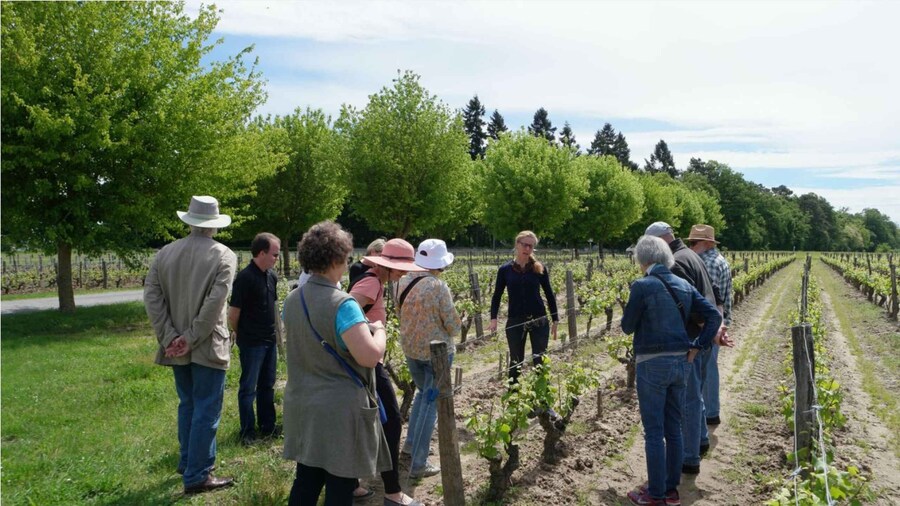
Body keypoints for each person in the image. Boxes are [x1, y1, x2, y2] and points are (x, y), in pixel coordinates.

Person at [282, 221, 391, 505]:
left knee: (306, 480)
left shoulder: (292, 300)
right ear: (334, 260)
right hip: (339, 413)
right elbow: (369, 356)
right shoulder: (343, 304)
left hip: (303, 405)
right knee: (340, 487)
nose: (347, 265)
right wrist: (380, 331)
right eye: (345, 258)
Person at [144, 195, 237, 495]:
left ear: (190, 221)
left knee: (188, 404)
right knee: (206, 409)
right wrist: (189, 337)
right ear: (214, 224)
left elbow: (152, 298)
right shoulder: (224, 255)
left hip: (177, 344)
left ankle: (188, 463)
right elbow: (215, 304)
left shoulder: (165, 254)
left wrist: (170, 337)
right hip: (208, 343)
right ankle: (197, 474)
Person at [621, 235, 721, 506]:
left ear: (643, 259)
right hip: (681, 363)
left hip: (652, 363)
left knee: (654, 431)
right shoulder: (683, 284)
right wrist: (698, 345)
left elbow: (627, 327)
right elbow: (714, 315)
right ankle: (671, 491)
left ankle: (655, 494)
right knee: (673, 427)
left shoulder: (642, 286)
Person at [350, 238, 425, 505]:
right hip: (367, 363)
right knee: (391, 422)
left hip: (366, 360)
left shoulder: (377, 282)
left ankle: (351, 483)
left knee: (366, 421)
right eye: (401, 268)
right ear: (387, 265)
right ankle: (392, 492)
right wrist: (372, 331)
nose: (404, 273)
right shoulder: (371, 282)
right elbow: (345, 312)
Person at [644, 221, 721, 475]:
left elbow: (693, 306)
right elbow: (714, 293)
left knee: (687, 400)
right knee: (695, 394)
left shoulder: (675, 263)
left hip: (691, 340)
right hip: (703, 337)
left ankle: (689, 459)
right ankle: (700, 440)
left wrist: (700, 337)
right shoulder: (691, 255)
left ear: (659, 241)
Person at [397, 239, 461, 481]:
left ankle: (410, 446)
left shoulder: (401, 281)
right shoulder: (438, 286)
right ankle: (419, 463)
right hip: (437, 355)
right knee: (431, 404)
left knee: (422, 396)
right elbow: (453, 325)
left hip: (411, 350)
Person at [229, 232, 281, 445]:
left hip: (269, 340)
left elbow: (273, 308)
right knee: (248, 387)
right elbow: (233, 313)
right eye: (274, 254)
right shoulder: (245, 278)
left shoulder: (271, 276)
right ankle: (247, 431)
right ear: (261, 253)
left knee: (267, 385)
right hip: (252, 342)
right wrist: (241, 333)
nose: (277, 258)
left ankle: (268, 426)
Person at [488, 231, 559, 384]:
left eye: (531, 246)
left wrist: (555, 319)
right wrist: (493, 318)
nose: (527, 249)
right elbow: (497, 295)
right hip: (515, 320)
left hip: (539, 319)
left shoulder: (539, 268)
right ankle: (513, 394)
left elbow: (549, 294)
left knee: (540, 359)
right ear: (517, 244)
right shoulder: (505, 270)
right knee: (516, 361)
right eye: (525, 245)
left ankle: (542, 394)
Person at [688, 224, 733, 427]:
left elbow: (708, 299)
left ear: (707, 243)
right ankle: (710, 412)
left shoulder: (708, 263)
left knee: (706, 368)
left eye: (694, 242)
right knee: (709, 366)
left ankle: (710, 413)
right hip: (717, 323)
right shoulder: (718, 259)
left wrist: (709, 327)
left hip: (709, 325)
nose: (691, 247)